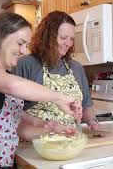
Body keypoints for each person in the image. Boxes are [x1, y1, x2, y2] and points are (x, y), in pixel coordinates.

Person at [0, 12, 82, 168]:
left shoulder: (5, 74)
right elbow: (11, 85)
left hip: (3, 163)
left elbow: (18, 128)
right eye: (20, 43)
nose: (23, 51)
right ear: (0, 37)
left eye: (26, 45)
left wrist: (52, 131)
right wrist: (59, 98)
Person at [14, 11, 100, 141]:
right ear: (48, 36)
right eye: (63, 38)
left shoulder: (76, 67)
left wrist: (92, 122)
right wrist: (45, 127)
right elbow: (12, 110)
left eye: (71, 39)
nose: (68, 43)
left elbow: (86, 105)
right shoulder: (25, 64)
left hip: (71, 142)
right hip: (35, 142)